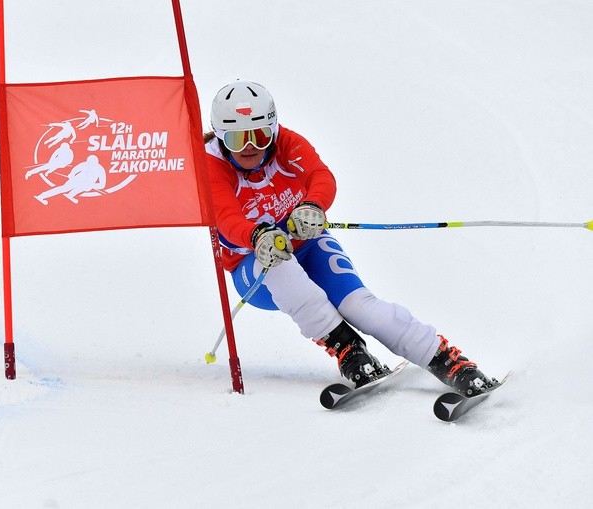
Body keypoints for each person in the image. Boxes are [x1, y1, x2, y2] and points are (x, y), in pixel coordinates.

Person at [203, 80, 497, 396]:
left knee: (361, 306)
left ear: (273, 130)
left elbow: (320, 176)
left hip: (309, 246)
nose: (250, 146)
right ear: (220, 137)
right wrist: (257, 234)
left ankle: (449, 362)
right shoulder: (210, 165)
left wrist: (313, 205)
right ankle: (347, 348)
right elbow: (226, 218)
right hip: (255, 269)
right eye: (236, 139)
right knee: (275, 260)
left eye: (260, 135)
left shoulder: (287, 143)